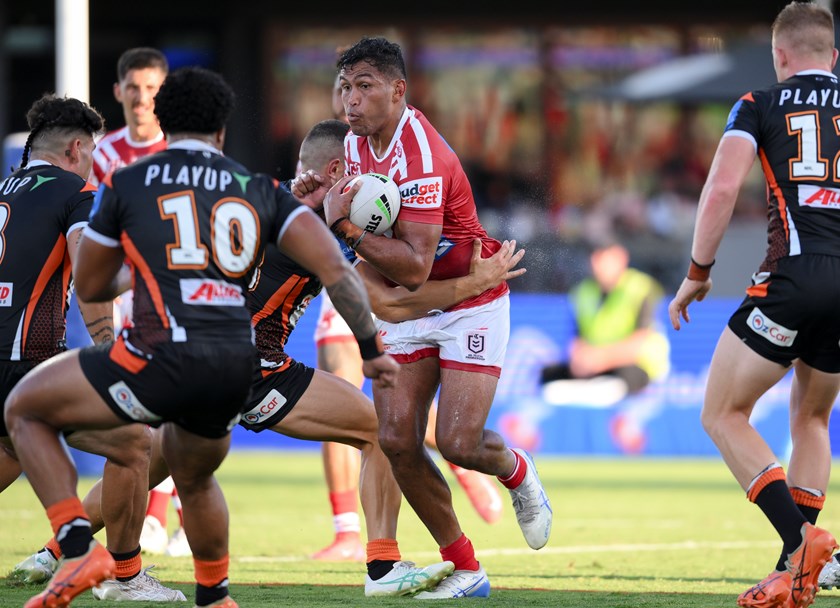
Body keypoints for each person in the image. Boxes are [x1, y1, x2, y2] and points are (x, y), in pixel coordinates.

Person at [12, 117, 525, 597]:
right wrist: (474, 281)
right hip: (251, 364)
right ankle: (383, 567)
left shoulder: (268, 199)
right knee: (376, 431)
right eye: (359, 169)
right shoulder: (318, 220)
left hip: (193, 352)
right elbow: (385, 301)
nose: (371, 179)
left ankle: (52, 551)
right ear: (338, 171)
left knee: (147, 460)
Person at [4, 66, 399, 608]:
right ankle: (214, 596)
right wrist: (372, 351)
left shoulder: (128, 182)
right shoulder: (257, 188)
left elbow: (94, 282)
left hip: (158, 357)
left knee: (29, 410)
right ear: (221, 131)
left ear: (162, 124)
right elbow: (338, 270)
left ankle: (77, 547)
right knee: (191, 474)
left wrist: (142, 268)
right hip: (234, 361)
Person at [314, 36, 553, 598]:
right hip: (410, 304)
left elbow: (417, 267)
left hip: (468, 302)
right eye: (344, 86)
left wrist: (343, 228)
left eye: (364, 86)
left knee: (458, 443)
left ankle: (517, 471)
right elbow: (388, 281)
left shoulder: (420, 153)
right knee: (395, 438)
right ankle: (466, 569)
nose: (350, 99)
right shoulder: (353, 145)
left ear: (399, 91)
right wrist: (326, 211)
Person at [667, 4, 840, 608]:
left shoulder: (759, 103)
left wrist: (697, 272)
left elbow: (720, 187)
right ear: (835, 58)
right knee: (813, 419)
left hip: (793, 276)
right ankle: (794, 570)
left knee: (721, 413)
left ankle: (802, 544)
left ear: (780, 56)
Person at [0, 93, 185, 602]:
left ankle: (70, 555)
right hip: (27, 366)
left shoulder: (3, 190)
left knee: (12, 452)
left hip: (8, 364)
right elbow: (90, 279)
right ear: (77, 148)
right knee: (134, 444)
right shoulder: (77, 193)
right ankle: (125, 577)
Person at [91, 45, 189, 559]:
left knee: (168, 411)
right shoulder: (103, 155)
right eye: (134, 88)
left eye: (152, 88)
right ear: (118, 92)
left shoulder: (181, 149)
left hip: (175, 299)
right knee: (141, 415)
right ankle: (159, 521)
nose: (143, 98)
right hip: (126, 297)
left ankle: (157, 520)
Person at [540, 239, 670, 407]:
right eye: (596, 258)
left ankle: (591, 392)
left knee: (627, 377)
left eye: (604, 259)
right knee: (549, 374)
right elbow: (577, 338)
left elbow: (640, 341)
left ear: (621, 258)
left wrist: (600, 359)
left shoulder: (641, 288)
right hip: (596, 366)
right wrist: (580, 360)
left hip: (633, 365)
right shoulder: (583, 291)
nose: (598, 265)